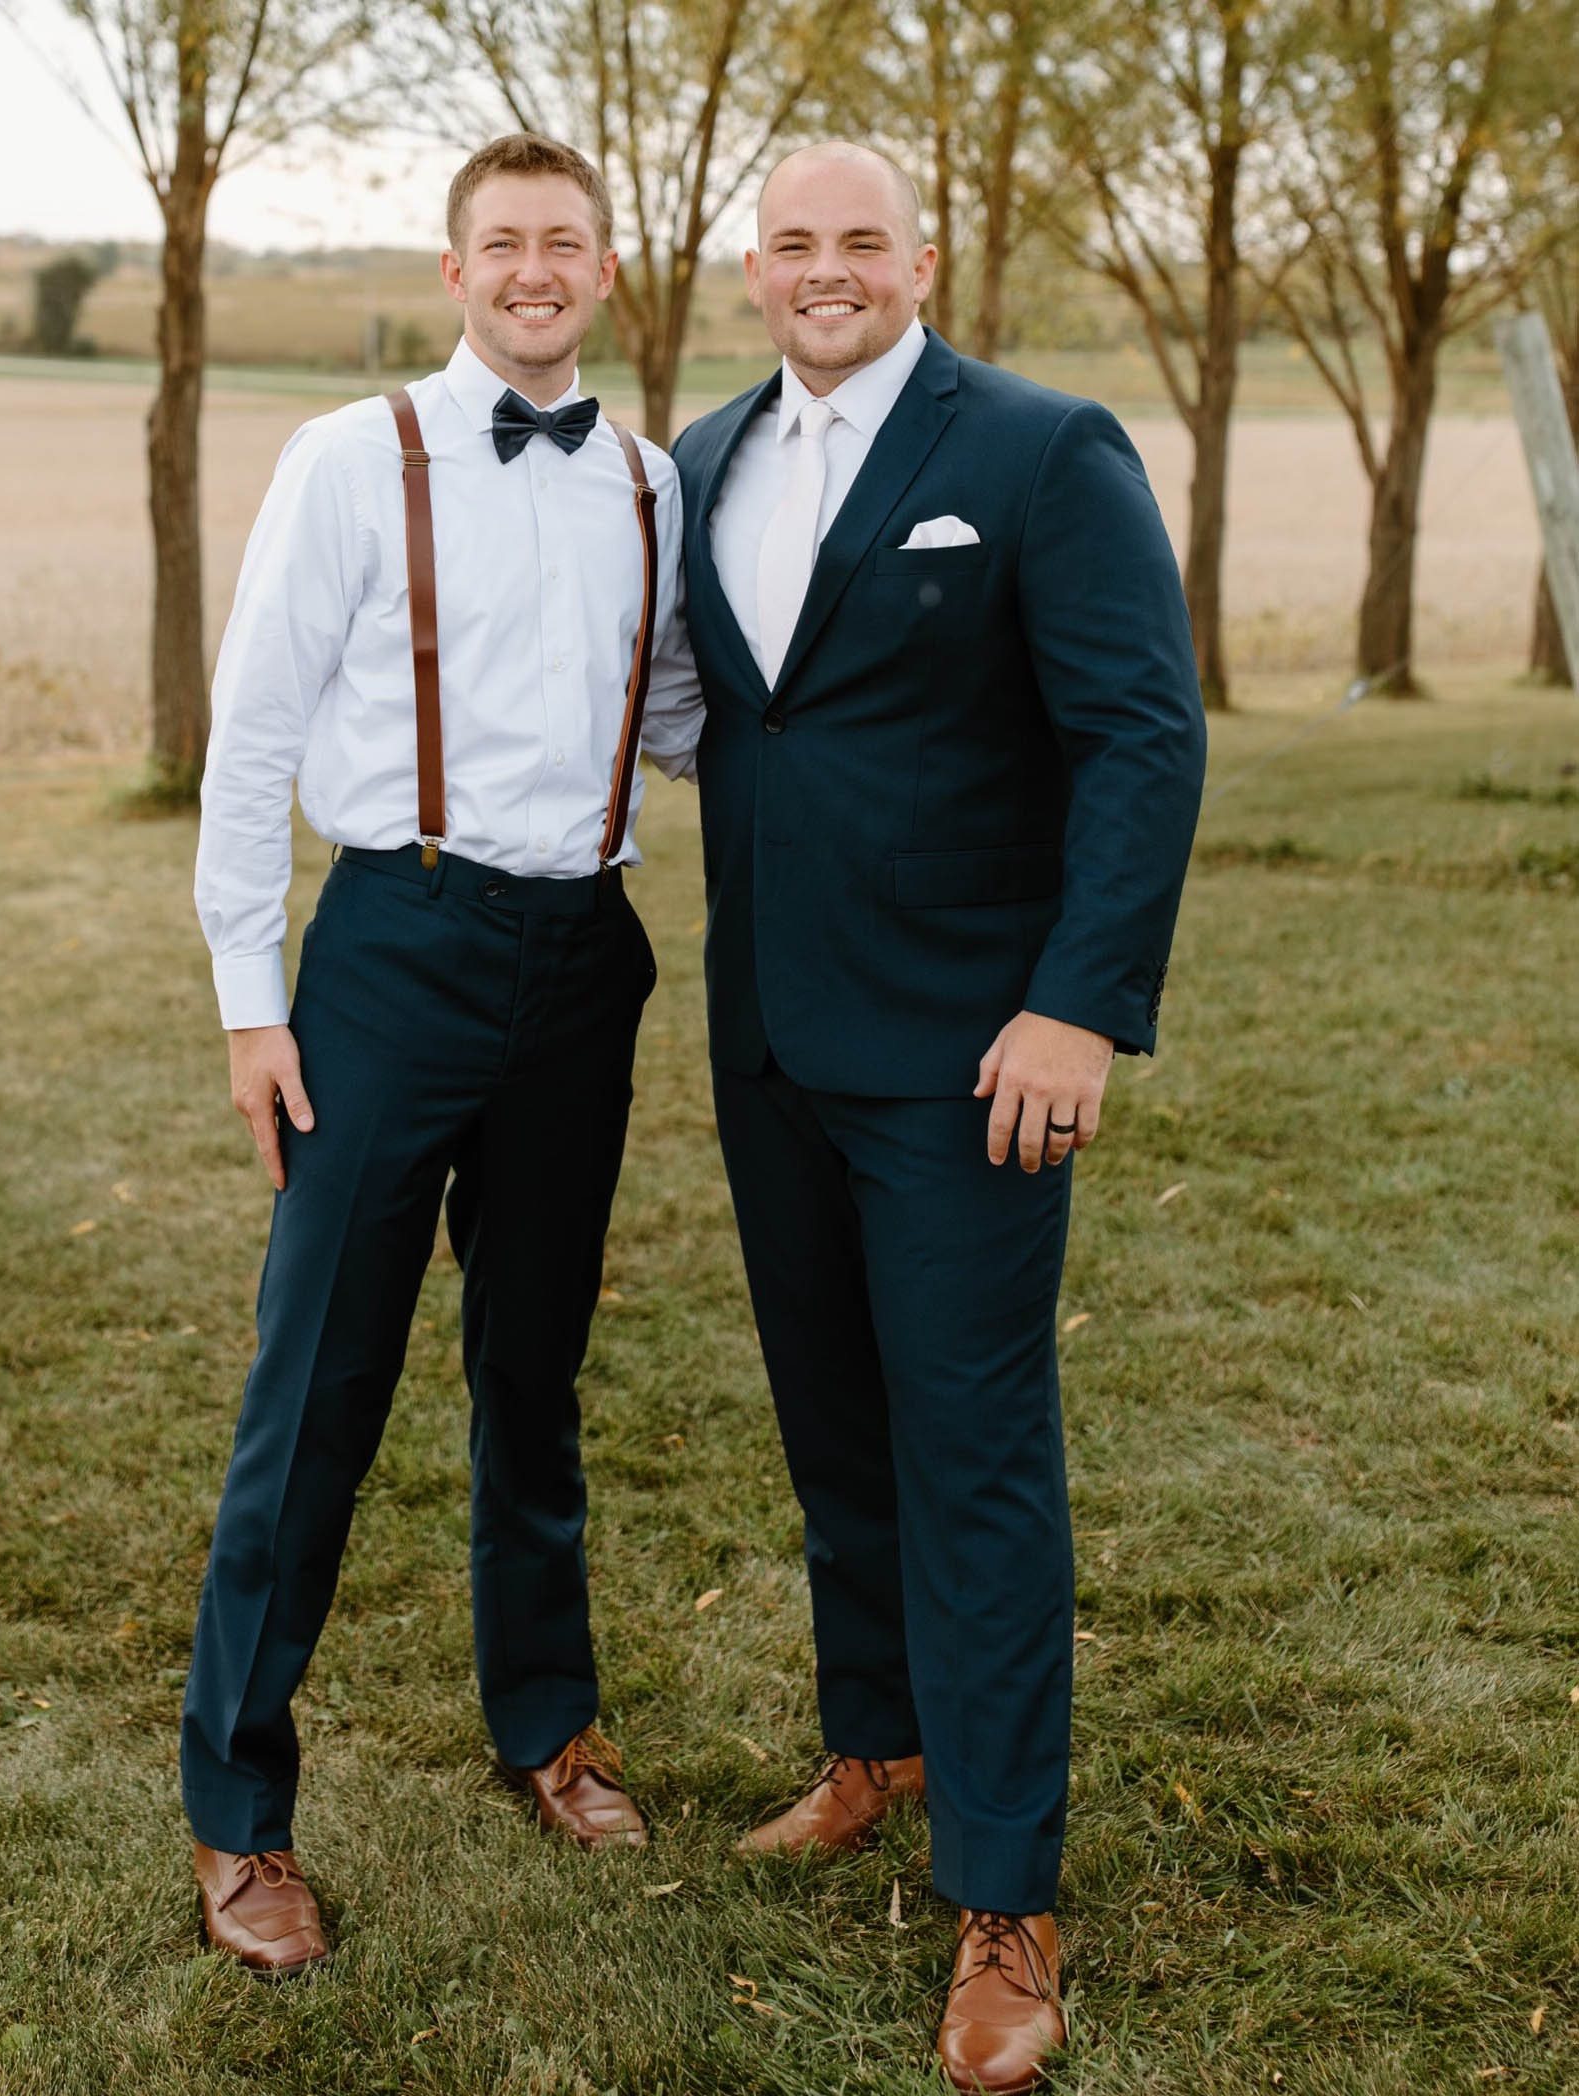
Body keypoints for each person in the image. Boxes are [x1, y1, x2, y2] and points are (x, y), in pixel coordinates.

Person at [673, 141, 1207, 2092]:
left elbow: (1140, 736)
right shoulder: (701, 460)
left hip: (975, 1061)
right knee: (833, 1426)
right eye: (793, 243)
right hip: (767, 1051)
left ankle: (1003, 1891)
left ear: (925, 256)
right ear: (752, 270)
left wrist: (1076, 1000)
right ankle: (875, 1743)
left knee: (972, 1458)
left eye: (859, 240)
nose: (827, 270)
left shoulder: (1039, 452)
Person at [182, 133, 702, 1975]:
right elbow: (249, 742)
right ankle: (240, 1813)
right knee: (316, 1381)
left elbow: (685, 714)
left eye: (566, 241)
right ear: (457, 264)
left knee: (533, 1370)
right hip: (392, 950)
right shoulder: (350, 457)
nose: (536, 268)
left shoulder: (651, 479)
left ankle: (545, 1725)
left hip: (581, 962)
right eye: (505, 242)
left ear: (606, 272)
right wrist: (257, 1001)